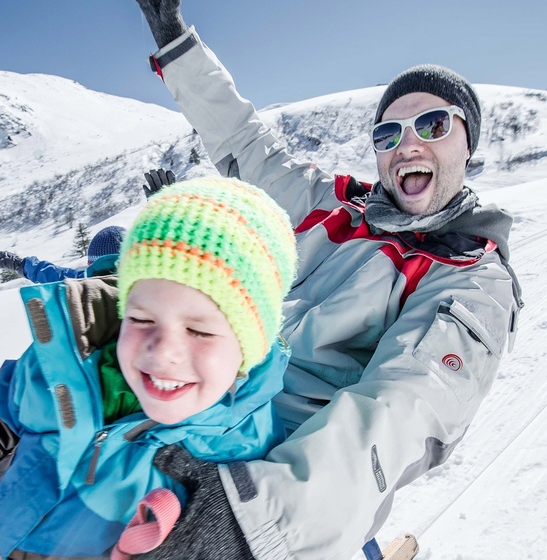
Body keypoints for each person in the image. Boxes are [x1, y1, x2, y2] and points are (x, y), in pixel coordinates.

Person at [131, 1, 525, 558]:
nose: (408, 145)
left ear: (469, 144)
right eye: (388, 133)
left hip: (277, 466)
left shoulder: (471, 277)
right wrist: (177, 46)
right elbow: (246, 145)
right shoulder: (336, 208)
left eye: (432, 125)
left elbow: (400, 408)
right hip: (209, 395)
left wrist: (257, 520)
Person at [0, 176, 299, 560]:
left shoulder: (246, 456)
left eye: (199, 329)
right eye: (140, 317)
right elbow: (9, 403)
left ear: (250, 344)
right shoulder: (79, 359)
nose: (163, 351)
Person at [0, 168, 179, 283]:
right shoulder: (156, 282)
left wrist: (18, 264)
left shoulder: (82, 287)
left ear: (91, 264)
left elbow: (54, 275)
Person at [0, 224, 126, 283]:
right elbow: (59, 275)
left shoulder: (85, 290)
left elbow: (58, 276)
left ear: (91, 265)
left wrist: (19, 264)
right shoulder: (141, 288)